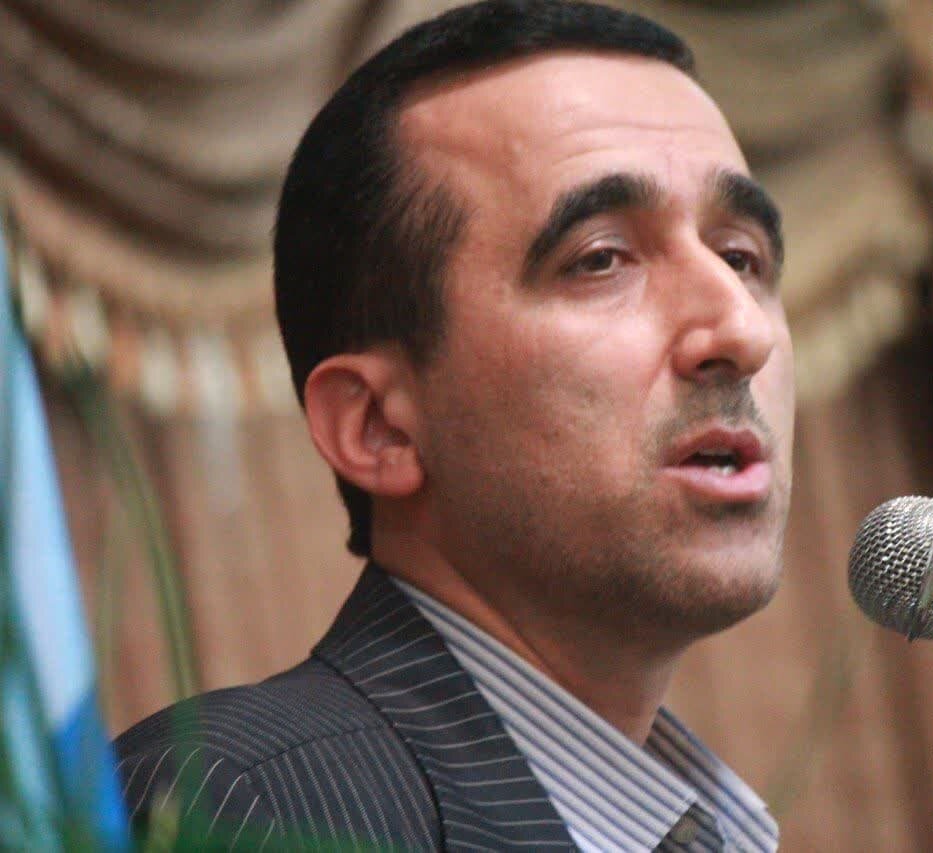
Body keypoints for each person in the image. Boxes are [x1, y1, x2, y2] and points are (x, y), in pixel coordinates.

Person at [113, 1, 794, 849]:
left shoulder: (702, 828)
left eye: (741, 258)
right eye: (600, 259)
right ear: (377, 427)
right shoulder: (245, 804)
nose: (742, 331)